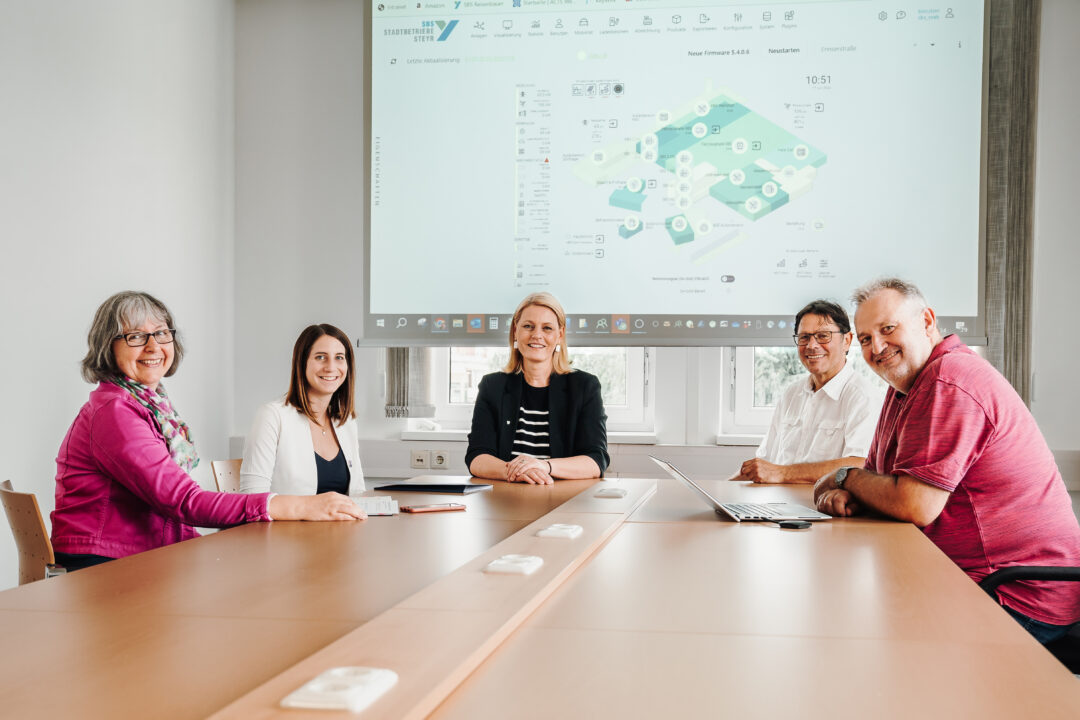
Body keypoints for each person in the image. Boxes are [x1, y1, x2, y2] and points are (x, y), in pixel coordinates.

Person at [813, 278, 1080, 643]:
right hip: (965, 577)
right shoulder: (904, 387)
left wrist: (843, 478)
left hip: (1016, 595)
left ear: (926, 322)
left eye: (888, 329)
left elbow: (913, 503)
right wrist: (858, 489)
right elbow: (876, 479)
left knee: (852, 634)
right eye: (864, 338)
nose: (876, 346)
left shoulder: (949, 379)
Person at [51, 292, 365, 572]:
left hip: (143, 554)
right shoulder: (115, 413)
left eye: (161, 333)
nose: (153, 346)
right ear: (108, 346)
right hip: (103, 565)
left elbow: (174, 509)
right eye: (135, 336)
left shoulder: (147, 405)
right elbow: (183, 502)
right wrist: (300, 505)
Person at [466, 292, 609, 484]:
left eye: (547, 328)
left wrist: (544, 466)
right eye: (528, 326)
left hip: (564, 501)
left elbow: (595, 460)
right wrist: (516, 471)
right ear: (515, 330)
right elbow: (477, 457)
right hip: (505, 499)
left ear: (560, 334)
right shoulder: (492, 387)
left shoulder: (584, 386)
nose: (537, 335)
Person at [737, 300, 883, 484]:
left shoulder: (863, 397)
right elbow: (765, 464)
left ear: (846, 341)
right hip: (775, 503)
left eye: (823, 336)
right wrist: (720, 490)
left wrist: (782, 473)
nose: (811, 345)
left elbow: (860, 465)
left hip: (821, 508)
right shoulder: (791, 394)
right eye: (804, 337)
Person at [240, 324, 364, 497]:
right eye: (320, 357)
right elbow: (252, 498)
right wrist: (313, 509)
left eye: (339, 357)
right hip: (286, 525)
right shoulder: (272, 416)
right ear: (302, 362)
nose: (331, 367)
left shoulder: (346, 421)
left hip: (341, 524)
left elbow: (357, 493)